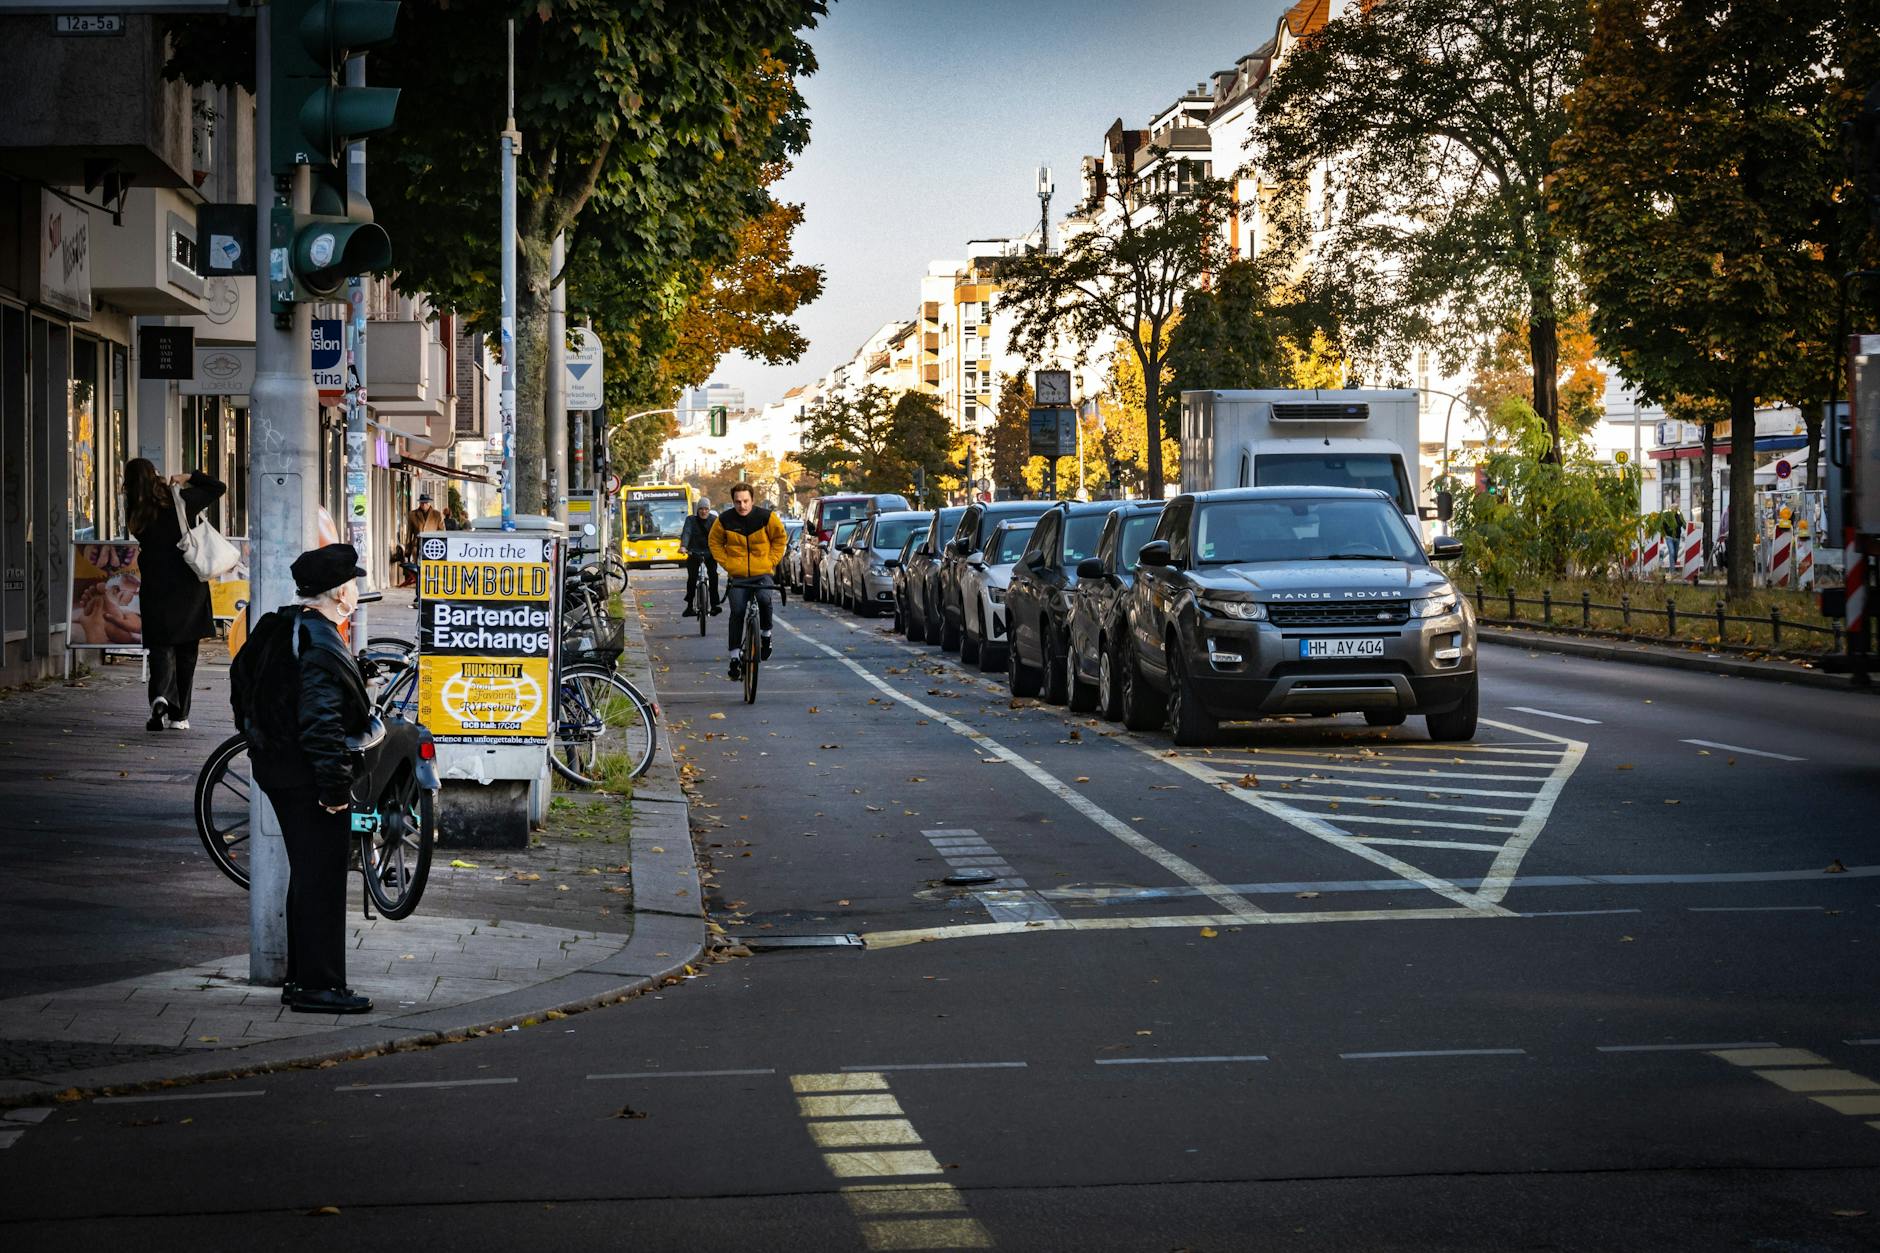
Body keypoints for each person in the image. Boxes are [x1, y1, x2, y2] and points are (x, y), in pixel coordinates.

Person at [244, 543, 375, 1016]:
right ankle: (320, 986)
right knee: (321, 877)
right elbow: (321, 724)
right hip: (308, 777)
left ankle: (302, 978)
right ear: (339, 593)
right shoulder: (319, 642)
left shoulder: (285, 627)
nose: (358, 591)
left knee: (307, 873)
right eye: (354, 583)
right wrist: (335, 790)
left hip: (281, 769)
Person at [125, 458, 226, 732]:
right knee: (186, 650)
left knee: (161, 646)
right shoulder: (180, 501)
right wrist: (187, 476)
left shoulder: (135, 510)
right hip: (187, 584)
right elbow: (218, 486)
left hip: (156, 586)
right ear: (155, 476)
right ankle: (179, 716)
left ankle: (161, 695)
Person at [708, 482, 787, 681]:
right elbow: (714, 542)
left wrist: (771, 561)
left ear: (752, 500)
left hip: (762, 573)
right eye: (737, 502)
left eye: (745, 501)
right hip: (739, 575)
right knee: (737, 611)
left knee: (764, 599)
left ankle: (766, 636)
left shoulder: (766, 517)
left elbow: (780, 539)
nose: (742, 506)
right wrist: (727, 563)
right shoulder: (724, 520)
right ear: (732, 501)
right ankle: (734, 658)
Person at [680, 497, 722, 616]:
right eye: (701, 509)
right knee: (692, 578)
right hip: (694, 552)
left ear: (709, 510)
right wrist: (684, 546)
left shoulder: (714, 520)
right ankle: (689, 607)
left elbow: (720, 536)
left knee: (713, 576)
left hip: (710, 552)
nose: (704, 512)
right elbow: (687, 533)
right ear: (697, 510)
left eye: (706, 509)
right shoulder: (691, 520)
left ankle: (715, 605)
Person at [404, 493, 445, 605]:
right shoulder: (413, 514)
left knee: (432, 571)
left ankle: (431, 593)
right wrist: (407, 550)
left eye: (426, 503)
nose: (424, 505)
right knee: (419, 572)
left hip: (433, 548)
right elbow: (409, 533)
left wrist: (442, 548)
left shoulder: (437, 515)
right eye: (422, 503)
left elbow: (442, 532)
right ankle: (419, 594)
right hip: (418, 547)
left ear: (429, 503)